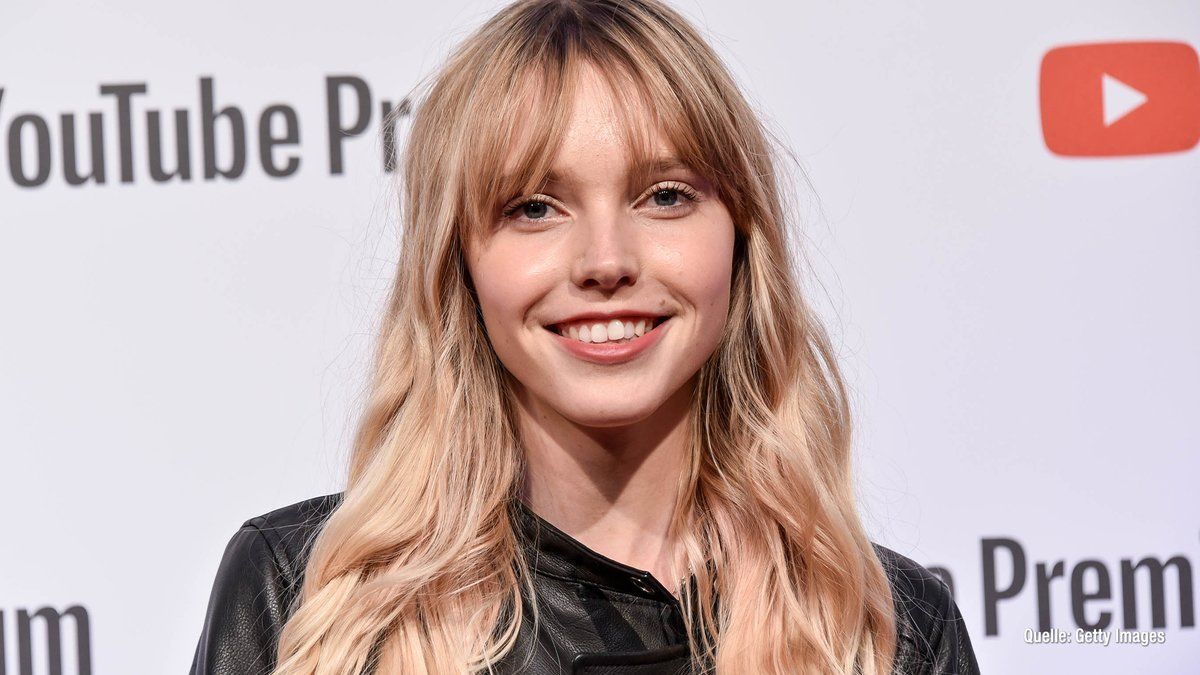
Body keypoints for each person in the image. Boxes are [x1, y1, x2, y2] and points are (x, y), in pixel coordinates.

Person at [189, 0, 981, 673]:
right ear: (458, 263)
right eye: (534, 207)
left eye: (665, 196)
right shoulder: (305, 597)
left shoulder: (885, 631)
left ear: (742, 238)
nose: (606, 261)